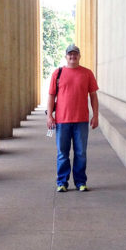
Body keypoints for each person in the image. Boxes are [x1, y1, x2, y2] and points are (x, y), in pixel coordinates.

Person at [46, 43, 99, 191]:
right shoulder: (58, 73)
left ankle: (81, 182)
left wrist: (95, 115)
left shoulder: (87, 73)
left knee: (81, 153)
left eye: (75, 54)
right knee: (62, 153)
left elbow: (93, 96)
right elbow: (51, 96)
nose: (72, 56)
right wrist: (49, 116)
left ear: (79, 56)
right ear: (66, 56)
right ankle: (62, 182)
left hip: (81, 120)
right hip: (62, 121)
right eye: (70, 54)